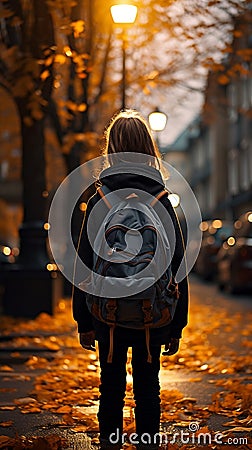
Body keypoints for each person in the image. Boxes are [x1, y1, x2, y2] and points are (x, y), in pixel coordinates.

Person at [72, 110, 189, 450]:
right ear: (148, 148)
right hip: (153, 314)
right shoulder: (162, 201)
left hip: (106, 313)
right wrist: (177, 324)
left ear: (112, 148)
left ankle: (110, 446)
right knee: (148, 388)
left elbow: (83, 264)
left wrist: (83, 321)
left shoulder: (99, 199)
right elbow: (178, 265)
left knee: (110, 387)